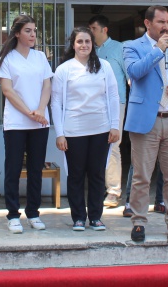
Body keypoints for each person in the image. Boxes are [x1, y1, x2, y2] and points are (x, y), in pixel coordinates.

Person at [123, 6, 168, 243]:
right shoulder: (132, 46)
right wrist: (157, 50)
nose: (166, 26)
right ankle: (139, 222)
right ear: (147, 23)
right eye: (161, 22)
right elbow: (135, 72)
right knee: (142, 176)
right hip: (146, 121)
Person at [51, 27, 120, 231]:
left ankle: (96, 217)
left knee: (97, 174)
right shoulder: (64, 69)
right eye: (80, 41)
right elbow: (56, 103)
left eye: (87, 42)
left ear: (93, 44)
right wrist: (60, 133)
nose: (84, 45)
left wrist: (114, 126)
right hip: (74, 131)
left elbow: (113, 96)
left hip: (101, 129)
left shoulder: (104, 67)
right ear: (73, 44)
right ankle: (79, 218)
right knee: (76, 175)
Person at [0, 14, 53, 234]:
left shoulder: (40, 57)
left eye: (34, 30)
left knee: (35, 169)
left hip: (40, 122)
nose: (32, 35)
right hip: (17, 123)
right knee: (13, 168)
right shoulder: (7, 59)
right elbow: (7, 90)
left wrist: (39, 110)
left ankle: (33, 212)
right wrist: (29, 112)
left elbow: (47, 86)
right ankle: (12, 214)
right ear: (17, 33)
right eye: (28, 30)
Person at [88, 15, 128, 210]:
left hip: (116, 103)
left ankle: (114, 190)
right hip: (94, 104)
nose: (91, 32)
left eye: (94, 29)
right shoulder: (90, 51)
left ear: (105, 30)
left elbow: (130, 77)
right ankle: (99, 187)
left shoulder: (119, 49)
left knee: (113, 144)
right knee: (95, 144)